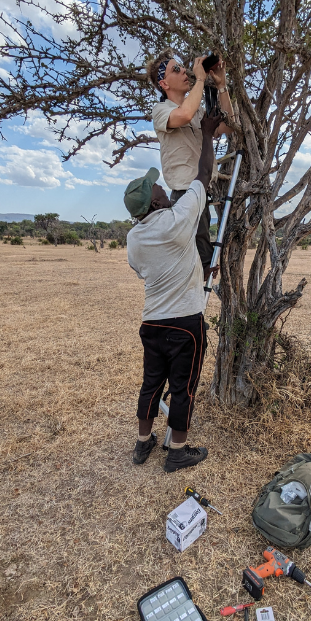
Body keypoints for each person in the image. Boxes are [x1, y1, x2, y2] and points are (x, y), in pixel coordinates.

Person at [124, 105, 223, 472]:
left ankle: (142, 444)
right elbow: (204, 175)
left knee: (151, 384)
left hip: (152, 324)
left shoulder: (134, 238)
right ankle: (177, 452)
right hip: (185, 326)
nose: (164, 187)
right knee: (183, 388)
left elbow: (147, 271)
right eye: (158, 188)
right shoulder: (178, 218)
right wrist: (208, 133)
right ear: (156, 202)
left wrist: (195, 268)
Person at [145, 52, 234, 280]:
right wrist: (201, 79)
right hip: (185, 194)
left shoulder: (197, 111)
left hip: (202, 190)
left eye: (182, 67)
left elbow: (227, 126)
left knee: (203, 262)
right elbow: (183, 115)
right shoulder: (161, 110)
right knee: (196, 265)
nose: (184, 71)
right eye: (176, 69)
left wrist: (222, 86)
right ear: (164, 84)